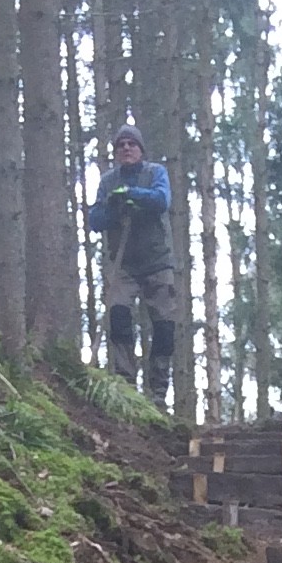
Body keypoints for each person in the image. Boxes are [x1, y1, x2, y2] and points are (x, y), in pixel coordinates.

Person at [85, 124, 178, 408]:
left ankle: (159, 389)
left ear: (140, 149)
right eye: (121, 145)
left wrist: (133, 195)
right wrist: (115, 207)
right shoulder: (108, 181)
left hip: (157, 261)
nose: (126, 148)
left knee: (163, 325)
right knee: (119, 316)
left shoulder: (155, 173)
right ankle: (126, 381)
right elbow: (95, 220)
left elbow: (161, 200)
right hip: (123, 264)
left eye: (131, 144)